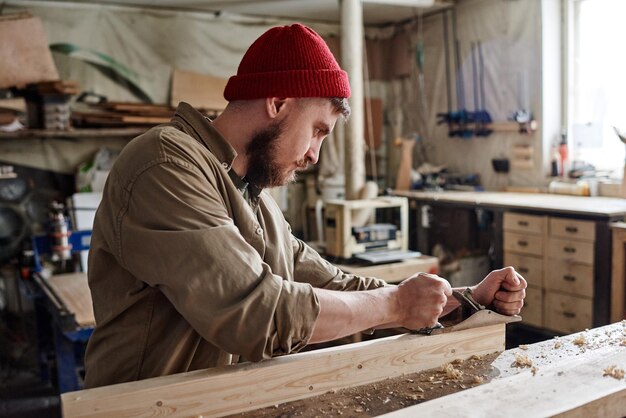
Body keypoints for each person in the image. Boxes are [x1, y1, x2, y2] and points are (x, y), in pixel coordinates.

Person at [83, 23, 526, 388]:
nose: (314, 155)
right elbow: (257, 314)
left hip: (212, 401)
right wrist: (395, 305)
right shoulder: (165, 162)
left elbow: (334, 285)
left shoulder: (251, 195)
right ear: (277, 102)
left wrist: (461, 300)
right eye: (317, 130)